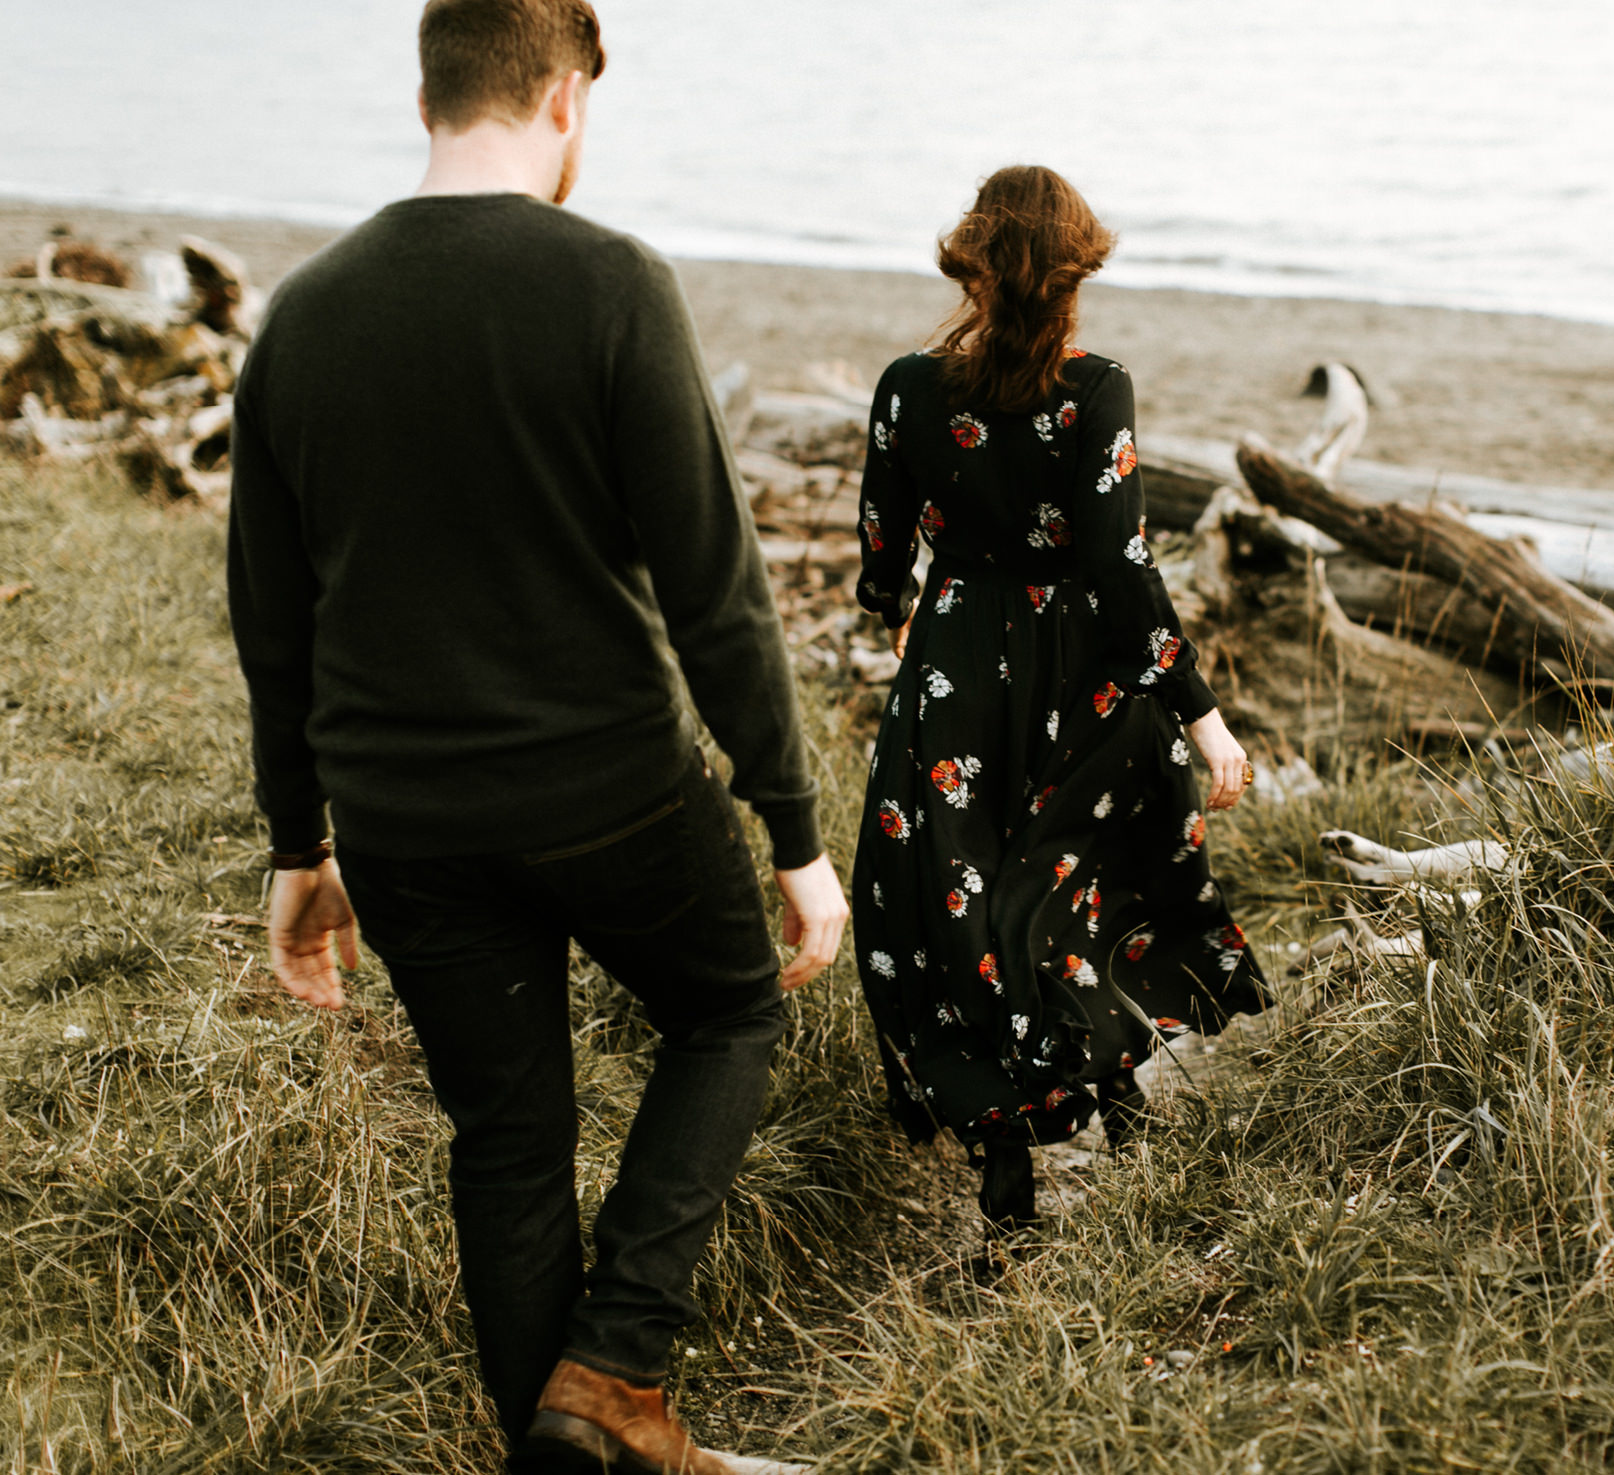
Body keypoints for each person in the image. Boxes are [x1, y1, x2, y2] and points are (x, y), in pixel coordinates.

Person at [226, 3, 837, 1470]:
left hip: (401, 819)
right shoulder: (612, 283)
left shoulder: (304, 314)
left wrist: (298, 846)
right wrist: (797, 831)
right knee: (732, 1009)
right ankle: (616, 1367)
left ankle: (560, 1440)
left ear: (428, 91)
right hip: (607, 787)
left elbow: (272, 621)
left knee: (507, 1135)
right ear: (562, 96)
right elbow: (716, 587)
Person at [849, 165, 1268, 1230]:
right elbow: (1120, 565)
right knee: (1094, 861)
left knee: (957, 890)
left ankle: (1006, 1150)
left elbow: (879, 554)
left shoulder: (906, 386)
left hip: (953, 665)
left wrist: (895, 603)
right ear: (1072, 278)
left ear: (971, 268)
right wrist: (1200, 712)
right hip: (1079, 665)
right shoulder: (1095, 389)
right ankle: (1116, 1080)